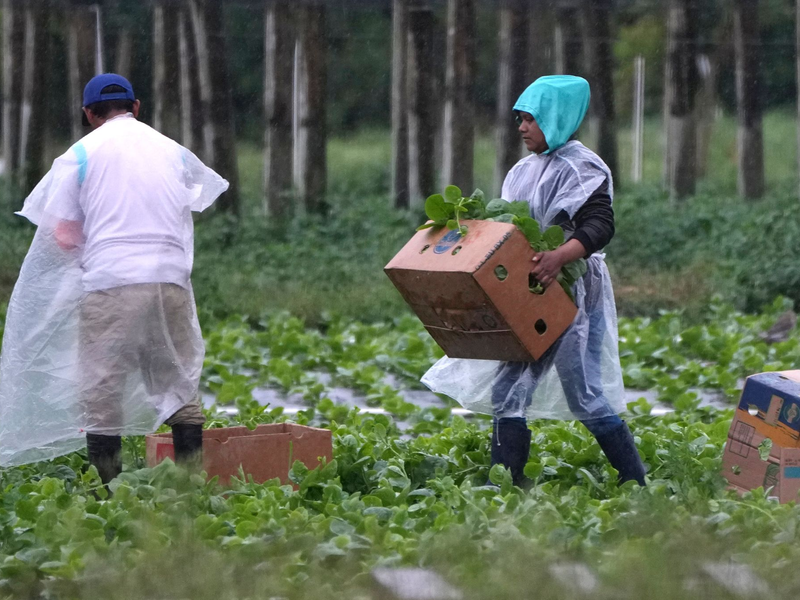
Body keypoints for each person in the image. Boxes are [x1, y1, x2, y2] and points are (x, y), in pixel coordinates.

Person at [0, 74, 228, 483]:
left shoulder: (82, 153)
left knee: (102, 389)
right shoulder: (171, 151)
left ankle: (106, 493)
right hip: (170, 281)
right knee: (177, 378)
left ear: (89, 114)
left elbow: (65, 234)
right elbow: (188, 202)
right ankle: (190, 488)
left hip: (113, 282)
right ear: (136, 107)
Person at [422, 75, 646, 487]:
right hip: (528, 292)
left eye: (530, 119)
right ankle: (505, 480)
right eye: (520, 119)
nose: (521, 127)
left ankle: (634, 479)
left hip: (571, 293)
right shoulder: (523, 170)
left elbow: (599, 224)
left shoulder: (584, 167)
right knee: (509, 387)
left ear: (556, 119)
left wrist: (560, 256)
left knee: (583, 393)